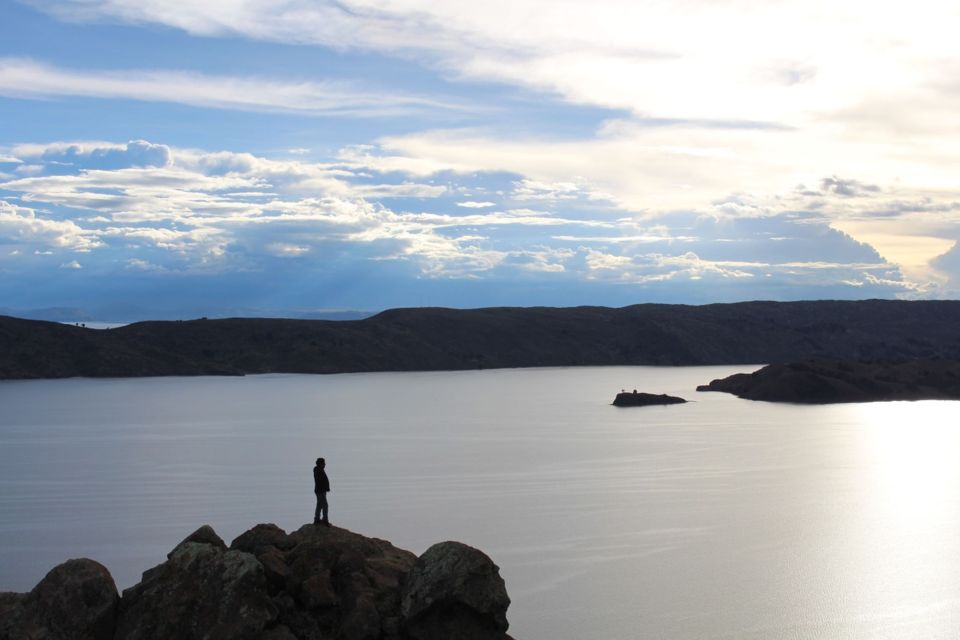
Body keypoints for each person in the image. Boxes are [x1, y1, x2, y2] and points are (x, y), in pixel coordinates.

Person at [313, 457, 330, 526]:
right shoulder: (318, 470)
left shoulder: (319, 470)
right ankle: (325, 520)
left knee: (319, 505)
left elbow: (323, 481)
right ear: (321, 464)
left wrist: (327, 488)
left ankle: (317, 519)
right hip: (320, 491)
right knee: (325, 505)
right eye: (323, 463)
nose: (325, 464)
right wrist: (326, 488)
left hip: (320, 491)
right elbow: (321, 482)